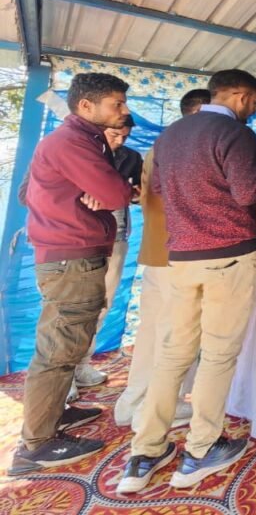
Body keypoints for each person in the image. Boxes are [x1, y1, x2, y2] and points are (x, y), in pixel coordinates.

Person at [118, 70, 256, 494]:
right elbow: (248, 192)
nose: (255, 109)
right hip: (228, 256)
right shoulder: (235, 133)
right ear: (241, 96)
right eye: (255, 101)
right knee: (218, 355)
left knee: (173, 355)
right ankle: (202, 449)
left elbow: (160, 189)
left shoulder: (171, 134)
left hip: (181, 258)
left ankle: (145, 451)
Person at [9, 73, 132, 476]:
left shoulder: (79, 141)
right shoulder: (72, 142)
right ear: (86, 105)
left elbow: (104, 193)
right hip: (71, 258)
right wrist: (106, 191)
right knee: (58, 351)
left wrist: (91, 192)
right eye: (116, 104)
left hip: (69, 256)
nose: (124, 111)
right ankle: (37, 444)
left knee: (65, 345)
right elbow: (116, 194)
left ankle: (53, 414)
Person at [113, 89, 210, 430]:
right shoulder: (190, 147)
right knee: (177, 332)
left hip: (158, 250)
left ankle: (133, 402)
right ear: (199, 112)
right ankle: (156, 410)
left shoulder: (162, 144)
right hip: (181, 253)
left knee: (152, 330)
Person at [74, 115, 145, 389]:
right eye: (115, 135)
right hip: (80, 241)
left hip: (116, 239)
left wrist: (133, 194)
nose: (120, 141)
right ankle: (62, 377)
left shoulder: (131, 157)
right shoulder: (80, 154)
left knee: (102, 305)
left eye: (125, 136)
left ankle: (82, 365)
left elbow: (138, 194)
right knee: (73, 308)